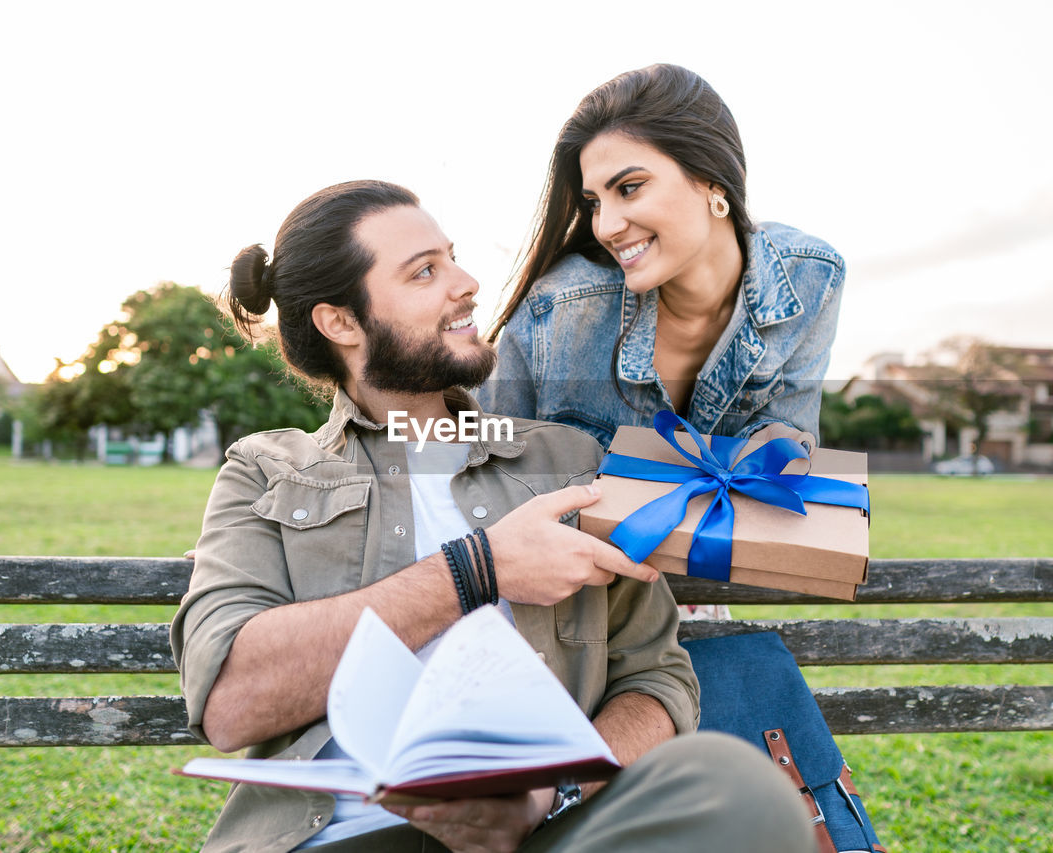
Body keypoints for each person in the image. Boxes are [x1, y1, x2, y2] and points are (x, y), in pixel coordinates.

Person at [170, 179, 816, 853]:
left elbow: (656, 676)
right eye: (425, 271)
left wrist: (549, 794)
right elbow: (229, 702)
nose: (468, 283)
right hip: (339, 838)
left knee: (736, 782)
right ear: (341, 322)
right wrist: (481, 567)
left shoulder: (568, 461)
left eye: (452, 257)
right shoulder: (265, 470)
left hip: (542, 835)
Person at [479, 63, 846, 623]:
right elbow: (486, 468)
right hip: (558, 607)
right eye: (595, 202)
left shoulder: (812, 279)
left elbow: (787, 450)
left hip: (698, 591)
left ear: (712, 181)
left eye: (629, 188)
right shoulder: (559, 310)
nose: (606, 225)